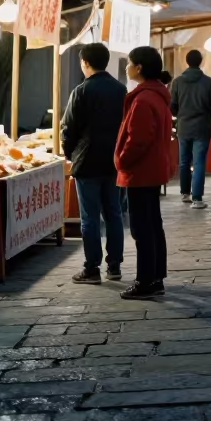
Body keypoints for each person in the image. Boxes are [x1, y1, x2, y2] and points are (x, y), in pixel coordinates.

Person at [61, 42, 127, 285]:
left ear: (85, 63)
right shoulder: (122, 91)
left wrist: (70, 154)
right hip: (115, 162)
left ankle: (91, 268)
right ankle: (115, 266)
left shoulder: (81, 91)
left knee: (90, 217)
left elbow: (68, 128)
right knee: (114, 213)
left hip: (87, 162)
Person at [114, 46, 172, 300]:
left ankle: (146, 280)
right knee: (153, 224)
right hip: (153, 169)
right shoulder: (156, 95)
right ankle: (156, 276)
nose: (126, 67)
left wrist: (122, 160)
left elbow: (138, 140)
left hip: (140, 171)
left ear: (138, 68)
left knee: (142, 228)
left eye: (128, 63)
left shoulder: (143, 99)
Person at [169, 49, 211, 209]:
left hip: (184, 127)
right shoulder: (209, 82)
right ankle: (197, 198)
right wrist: (206, 114)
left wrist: (181, 114)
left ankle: (185, 193)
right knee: (199, 162)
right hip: (202, 127)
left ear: (187, 62)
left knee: (184, 161)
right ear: (201, 62)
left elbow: (172, 106)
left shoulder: (177, 82)